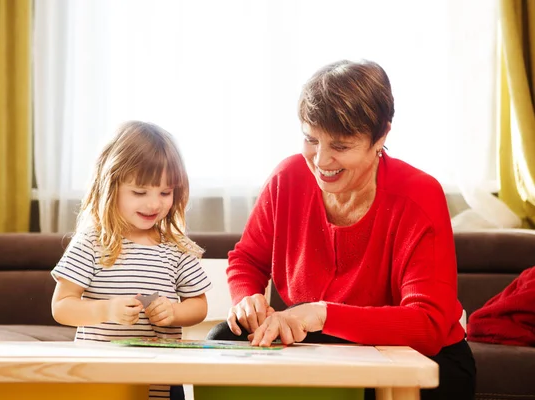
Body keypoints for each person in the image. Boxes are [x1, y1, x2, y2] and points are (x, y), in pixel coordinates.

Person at [207, 60, 476, 400]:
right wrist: (247, 298)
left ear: (381, 137)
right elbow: (247, 259)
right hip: (322, 344)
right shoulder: (286, 178)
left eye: (340, 145)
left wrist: (321, 313)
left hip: (419, 357)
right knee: (222, 340)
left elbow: (427, 326)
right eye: (311, 139)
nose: (320, 160)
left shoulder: (419, 195)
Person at [51, 121, 212, 400]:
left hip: (162, 383)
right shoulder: (92, 241)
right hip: (102, 382)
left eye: (165, 192)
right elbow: (62, 306)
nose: (154, 204)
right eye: (139, 192)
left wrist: (174, 313)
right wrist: (107, 311)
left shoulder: (176, 247)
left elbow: (198, 305)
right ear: (111, 186)